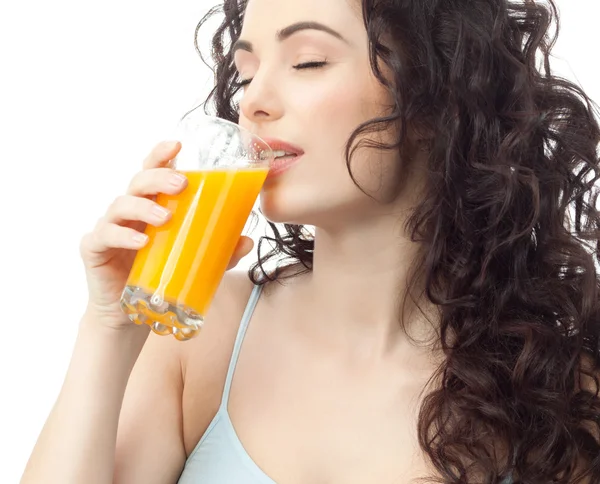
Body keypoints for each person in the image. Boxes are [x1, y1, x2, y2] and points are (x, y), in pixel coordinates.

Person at [20, 0, 600, 482]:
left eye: (308, 62)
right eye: (245, 73)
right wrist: (109, 330)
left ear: (435, 94)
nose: (252, 101)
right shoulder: (200, 335)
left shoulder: (554, 387)